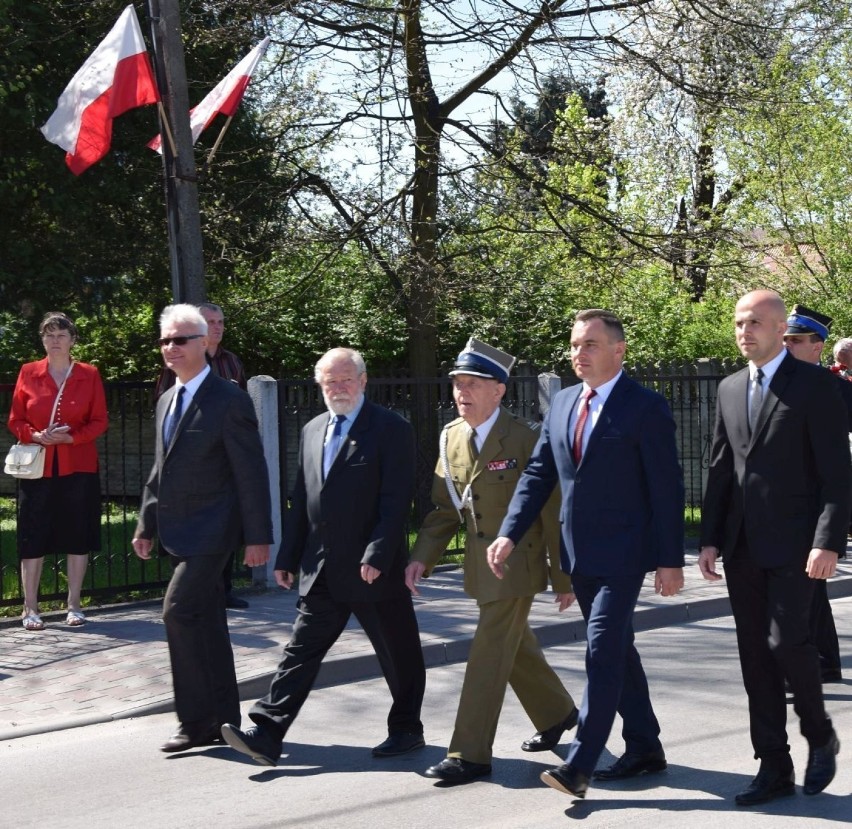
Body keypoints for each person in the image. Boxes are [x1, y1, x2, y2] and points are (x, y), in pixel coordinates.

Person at [487, 309, 685, 800]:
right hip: (577, 553)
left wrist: (669, 559)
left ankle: (580, 765)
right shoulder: (563, 404)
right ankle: (645, 746)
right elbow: (538, 475)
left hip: (625, 553)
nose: (580, 354)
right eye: (575, 346)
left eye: (591, 345)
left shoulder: (645, 407)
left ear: (618, 350)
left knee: (601, 650)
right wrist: (509, 533)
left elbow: (666, 488)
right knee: (619, 649)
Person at [219, 348, 426, 767]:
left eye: (346, 380)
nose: (339, 388)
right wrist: (288, 556)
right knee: (301, 649)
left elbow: (396, 499)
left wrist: (379, 552)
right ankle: (267, 731)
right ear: (320, 385)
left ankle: (406, 729)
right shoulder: (314, 429)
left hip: (373, 568)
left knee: (398, 651)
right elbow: (303, 498)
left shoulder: (390, 428)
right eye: (330, 381)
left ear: (364, 381)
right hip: (322, 568)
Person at [698, 290, 849, 806]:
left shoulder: (814, 386)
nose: (745, 331)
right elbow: (721, 468)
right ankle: (773, 766)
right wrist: (710, 538)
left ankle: (818, 732)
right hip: (742, 546)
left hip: (797, 545)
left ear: (781, 327)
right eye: (739, 322)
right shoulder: (729, 387)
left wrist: (828, 540)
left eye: (756, 322)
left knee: (787, 643)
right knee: (754, 659)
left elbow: (837, 474)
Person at [406, 338, 578, 785]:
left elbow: (552, 512)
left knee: (487, 654)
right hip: (480, 569)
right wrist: (421, 559)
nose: (461, 392)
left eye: (472, 384)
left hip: (517, 567)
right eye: (457, 384)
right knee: (513, 645)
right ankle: (558, 712)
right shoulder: (451, 437)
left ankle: (470, 753)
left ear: (498, 390)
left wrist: (563, 578)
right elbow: (445, 510)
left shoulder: (524, 438)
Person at [132, 304, 273, 753]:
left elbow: (250, 472)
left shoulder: (228, 399)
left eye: (180, 340)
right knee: (208, 623)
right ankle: (223, 720)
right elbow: (161, 468)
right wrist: (145, 523)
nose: (170, 348)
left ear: (203, 344)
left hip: (214, 531)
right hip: (177, 530)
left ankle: (193, 722)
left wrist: (258, 537)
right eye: (164, 341)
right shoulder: (167, 399)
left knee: (177, 611)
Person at [8, 312, 108, 631]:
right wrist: (34, 435)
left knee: (77, 534)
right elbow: (15, 419)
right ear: (42, 340)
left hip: (78, 466)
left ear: (72, 340)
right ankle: (30, 608)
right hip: (37, 469)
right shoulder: (28, 372)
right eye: (49, 335)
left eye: (61, 335)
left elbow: (100, 420)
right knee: (32, 536)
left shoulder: (89, 374)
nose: (55, 340)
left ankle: (75, 604)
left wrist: (72, 437)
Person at [153, 301, 249, 609]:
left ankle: (225, 588)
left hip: (224, 468)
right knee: (182, 610)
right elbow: (167, 413)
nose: (218, 326)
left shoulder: (231, 362)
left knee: (221, 535)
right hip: (188, 480)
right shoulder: (176, 363)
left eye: (221, 321)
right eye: (211, 321)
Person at [783, 304, 851, 683]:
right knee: (809, 589)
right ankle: (825, 662)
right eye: (785, 339)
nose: (787, 346)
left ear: (817, 347)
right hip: (784, 507)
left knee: (801, 588)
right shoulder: (776, 384)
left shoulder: (837, 389)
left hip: (819, 505)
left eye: (795, 340)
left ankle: (805, 666)